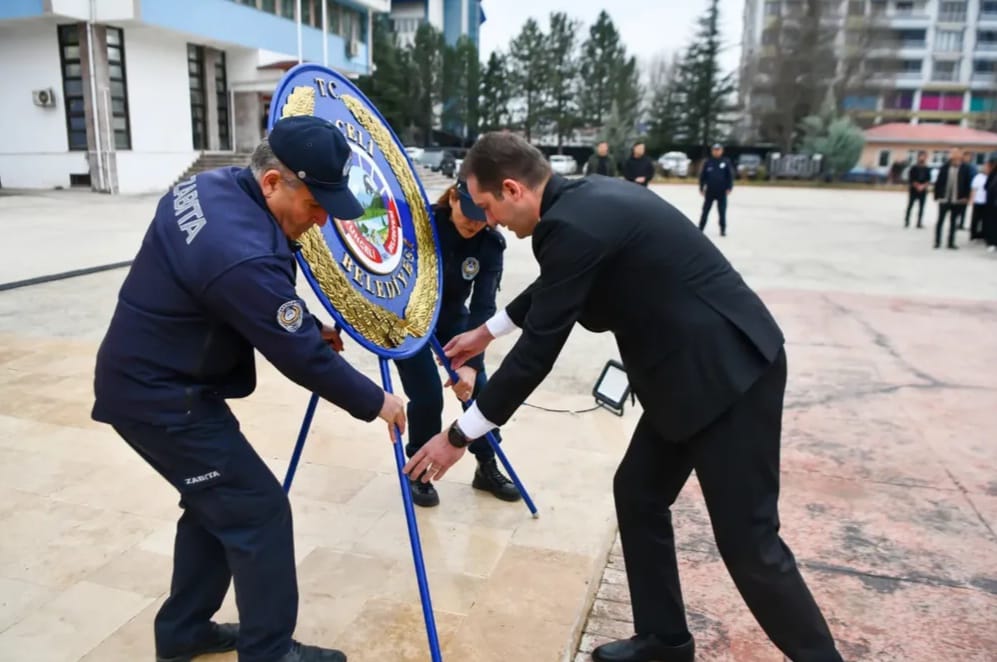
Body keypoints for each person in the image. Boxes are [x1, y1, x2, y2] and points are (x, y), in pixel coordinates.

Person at [402, 132, 844, 662]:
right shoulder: (584, 200)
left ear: (513, 189)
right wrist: (486, 332)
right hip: (682, 378)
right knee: (638, 491)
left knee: (751, 545)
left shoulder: (571, 225)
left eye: (488, 205)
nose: (489, 219)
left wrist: (460, 436)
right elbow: (559, 283)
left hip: (729, 376)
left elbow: (537, 356)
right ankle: (664, 640)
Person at [91, 115, 407, 662]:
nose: (320, 220)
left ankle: (184, 632)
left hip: (153, 380)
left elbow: (251, 303)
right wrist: (378, 402)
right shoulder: (243, 253)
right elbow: (298, 356)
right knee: (258, 513)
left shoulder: (208, 188)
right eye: (314, 206)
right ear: (271, 182)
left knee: (215, 506)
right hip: (161, 400)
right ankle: (270, 652)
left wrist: (304, 324)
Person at [394, 179, 520, 507]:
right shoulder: (420, 224)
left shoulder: (490, 244)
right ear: (453, 197)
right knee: (427, 393)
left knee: (480, 389)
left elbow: (484, 305)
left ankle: (486, 464)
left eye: (483, 216)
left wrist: (470, 363)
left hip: (453, 320)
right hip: (409, 319)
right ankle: (418, 470)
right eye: (469, 212)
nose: (475, 222)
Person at [932, 147, 973, 250]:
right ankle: (937, 242)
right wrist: (937, 196)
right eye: (954, 155)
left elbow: (968, 184)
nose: (956, 158)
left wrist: (966, 197)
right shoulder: (944, 167)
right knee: (940, 221)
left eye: (958, 156)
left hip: (957, 200)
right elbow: (938, 183)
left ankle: (951, 242)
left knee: (953, 222)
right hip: (944, 199)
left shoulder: (965, 168)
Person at [698, 143, 734, 236]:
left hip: (721, 191)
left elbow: (730, 176)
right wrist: (701, 187)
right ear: (712, 151)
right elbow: (703, 176)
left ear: (721, 151)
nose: (716, 151)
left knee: (722, 211)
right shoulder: (708, 162)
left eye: (718, 150)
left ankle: (722, 229)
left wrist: (729, 188)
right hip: (710, 191)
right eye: (715, 150)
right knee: (705, 210)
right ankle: (700, 228)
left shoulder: (726, 162)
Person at [904, 151, 931, 229]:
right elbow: (911, 179)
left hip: (923, 190)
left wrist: (923, 186)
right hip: (914, 189)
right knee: (910, 205)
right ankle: (907, 221)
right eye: (921, 156)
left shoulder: (927, 168)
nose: (923, 158)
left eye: (924, 156)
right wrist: (917, 186)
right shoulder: (914, 167)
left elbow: (928, 180)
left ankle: (919, 222)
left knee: (921, 207)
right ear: (918, 157)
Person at [970, 159, 990, 241]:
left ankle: (983, 234)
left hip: (987, 202)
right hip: (978, 201)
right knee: (975, 219)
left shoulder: (991, 177)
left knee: (985, 219)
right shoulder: (978, 177)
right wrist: (972, 200)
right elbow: (973, 189)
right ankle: (973, 234)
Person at [983, 155, 997, 253]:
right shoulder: (993, 174)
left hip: (992, 203)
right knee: (992, 223)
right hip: (991, 204)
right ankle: (991, 242)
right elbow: (986, 187)